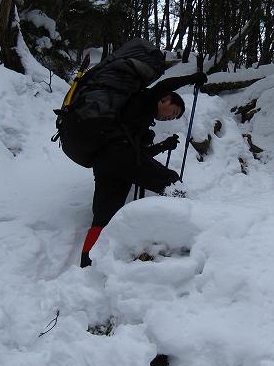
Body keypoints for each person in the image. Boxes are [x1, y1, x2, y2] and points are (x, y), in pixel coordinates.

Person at [79, 68, 208, 267]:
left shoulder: (135, 116)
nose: (169, 118)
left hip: (106, 162)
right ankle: (187, 235)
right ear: (164, 100)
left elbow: (139, 157)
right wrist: (192, 79)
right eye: (172, 112)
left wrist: (163, 146)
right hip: (119, 157)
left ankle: (87, 264)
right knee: (171, 181)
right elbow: (165, 86)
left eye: (174, 118)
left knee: (105, 217)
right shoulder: (145, 99)